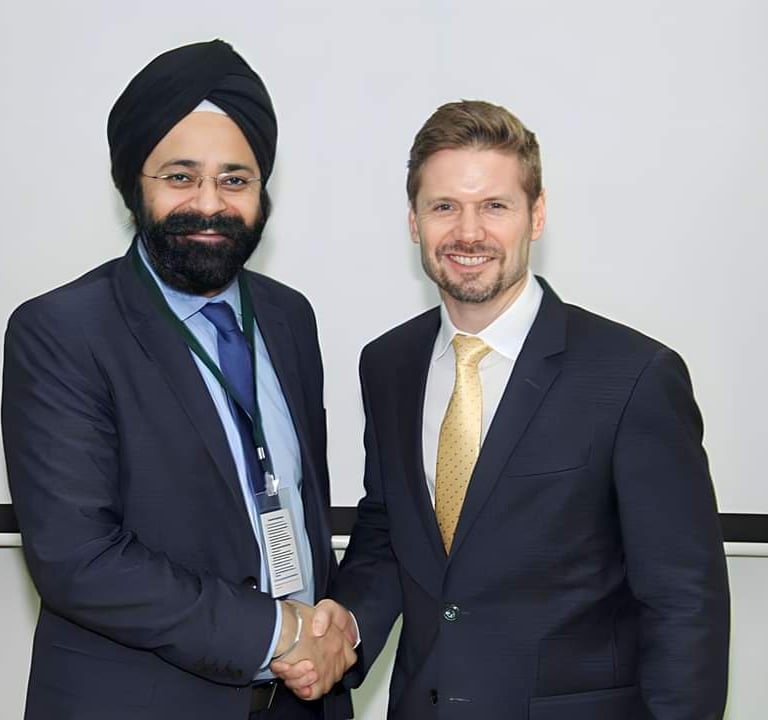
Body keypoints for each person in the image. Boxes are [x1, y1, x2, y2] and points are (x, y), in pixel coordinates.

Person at [276, 100, 730, 719]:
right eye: (444, 207)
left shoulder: (633, 376)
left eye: (494, 205)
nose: (469, 233)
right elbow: (389, 530)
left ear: (536, 215)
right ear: (413, 221)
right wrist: (347, 627)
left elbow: (685, 603)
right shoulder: (388, 364)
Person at [2, 40, 355, 720]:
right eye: (180, 176)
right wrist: (277, 632)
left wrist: (330, 632)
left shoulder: (288, 317)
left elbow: (292, 505)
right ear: (133, 185)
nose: (209, 204)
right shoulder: (61, 331)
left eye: (235, 180)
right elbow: (79, 559)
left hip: (301, 700)